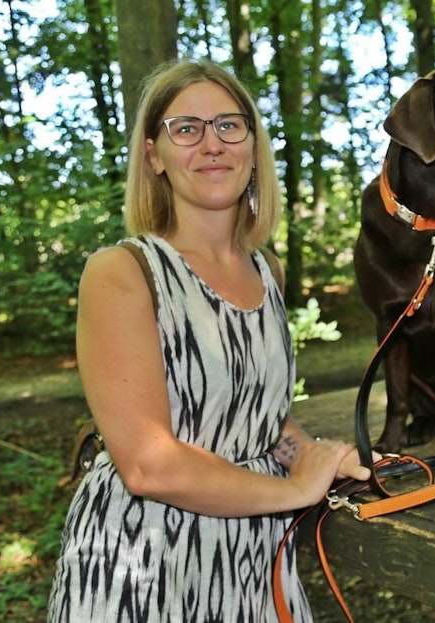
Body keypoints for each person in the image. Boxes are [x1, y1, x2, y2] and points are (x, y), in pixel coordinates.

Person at [47, 59, 371, 622]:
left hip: (253, 559)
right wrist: (297, 491)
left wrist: (311, 456)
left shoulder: (268, 270)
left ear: (251, 144)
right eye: (186, 129)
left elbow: (257, 417)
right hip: (143, 559)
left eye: (229, 125)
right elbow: (149, 466)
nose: (212, 144)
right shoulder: (122, 273)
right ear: (154, 156)